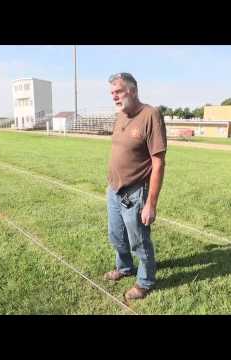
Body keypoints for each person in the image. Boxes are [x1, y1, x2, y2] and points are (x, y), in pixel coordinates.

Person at [104, 72, 167, 301]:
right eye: (112, 93)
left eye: (118, 91)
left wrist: (151, 203)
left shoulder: (151, 115)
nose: (114, 97)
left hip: (135, 191)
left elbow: (158, 162)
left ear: (133, 90)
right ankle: (124, 267)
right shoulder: (120, 115)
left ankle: (145, 281)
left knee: (139, 239)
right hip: (114, 189)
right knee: (116, 236)